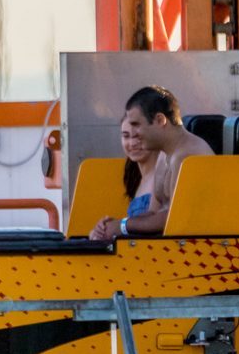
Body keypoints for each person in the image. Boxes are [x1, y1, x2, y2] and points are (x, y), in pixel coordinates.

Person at [91, 86, 214, 240]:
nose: (134, 134)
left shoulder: (188, 156)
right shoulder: (163, 155)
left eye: (136, 125)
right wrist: (112, 227)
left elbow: (173, 219)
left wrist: (123, 226)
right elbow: (153, 213)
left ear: (160, 120)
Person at [87, 114, 158, 240]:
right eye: (126, 136)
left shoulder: (162, 176)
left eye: (139, 137)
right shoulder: (136, 179)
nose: (132, 143)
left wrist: (121, 225)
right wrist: (103, 230)